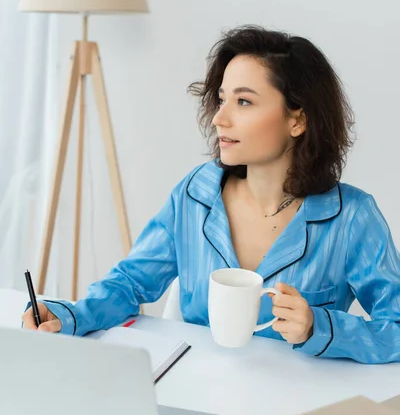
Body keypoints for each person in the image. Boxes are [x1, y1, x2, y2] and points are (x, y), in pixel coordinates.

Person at [23, 26, 400, 364]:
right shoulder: (197, 194)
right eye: (222, 99)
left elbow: (395, 329)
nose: (220, 117)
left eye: (244, 101)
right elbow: (131, 283)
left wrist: (320, 326)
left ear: (297, 119)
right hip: (200, 391)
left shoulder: (352, 217)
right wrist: (70, 315)